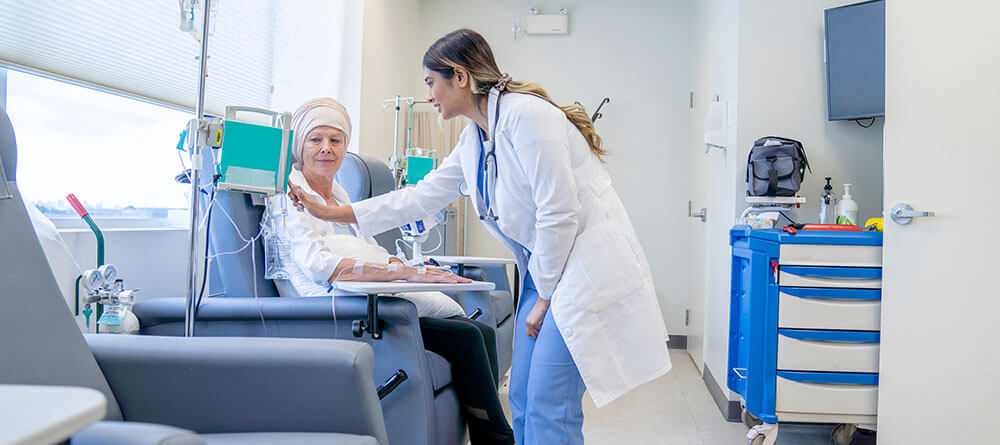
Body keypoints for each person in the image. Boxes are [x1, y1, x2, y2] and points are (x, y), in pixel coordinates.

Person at [289, 29, 672, 445]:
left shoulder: (528, 117)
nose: (429, 96)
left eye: (431, 83)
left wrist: (543, 297)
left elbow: (559, 212)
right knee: (521, 398)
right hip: (545, 270)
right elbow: (421, 197)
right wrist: (330, 212)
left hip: (579, 270)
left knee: (549, 404)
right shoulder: (474, 137)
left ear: (459, 77)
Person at [275, 97, 515, 445]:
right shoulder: (291, 199)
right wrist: (403, 275)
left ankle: (486, 433)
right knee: (466, 337)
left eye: (336, 140)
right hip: (338, 312)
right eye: (316, 139)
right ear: (300, 145)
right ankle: (497, 438)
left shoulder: (340, 199)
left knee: (479, 330)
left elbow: (372, 251)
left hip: (374, 301)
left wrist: (405, 269)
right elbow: (319, 266)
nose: (326, 148)